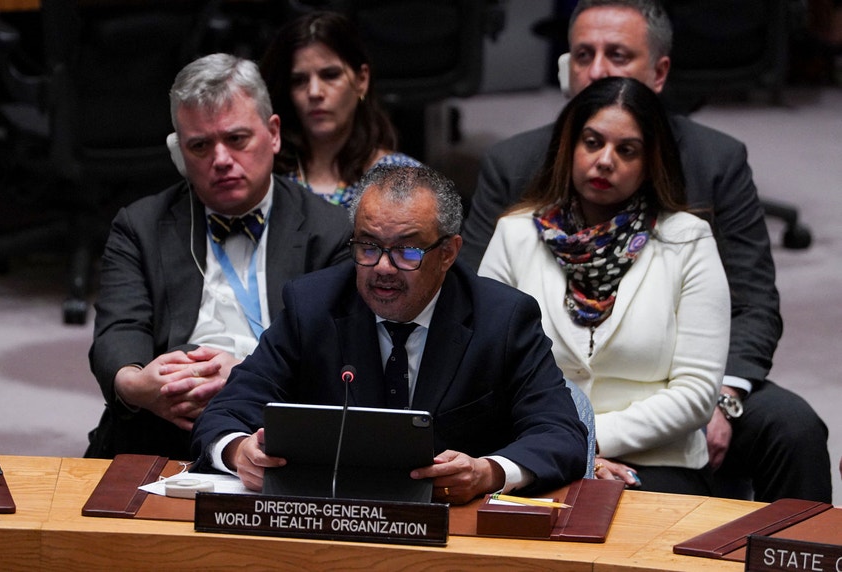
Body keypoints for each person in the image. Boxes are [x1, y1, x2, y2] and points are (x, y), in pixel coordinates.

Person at [462, 0, 832, 503]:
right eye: (583, 55)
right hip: (542, 421)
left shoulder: (713, 168)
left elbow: (752, 302)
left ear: (659, 72)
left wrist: (723, 398)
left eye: (616, 55)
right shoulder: (514, 173)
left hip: (679, 399)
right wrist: (564, 443)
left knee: (793, 427)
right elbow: (476, 317)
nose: (597, 71)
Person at [191, 165, 589, 504]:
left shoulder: (502, 319)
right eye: (368, 246)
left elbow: (561, 433)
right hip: (334, 521)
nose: (382, 267)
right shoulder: (311, 306)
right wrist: (237, 451)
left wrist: (488, 472)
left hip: (454, 530)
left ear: (448, 253)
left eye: (406, 251)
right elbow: (227, 410)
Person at [86, 53, 353, 460]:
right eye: (200, 146)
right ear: (179, 152)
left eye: (237, 139)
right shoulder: (140, 225)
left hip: (275, 425)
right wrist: (135, 384)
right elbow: (118, 329)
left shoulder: (331, 231)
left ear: (273, 133)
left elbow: (334, 357)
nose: (221, 160)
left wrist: (249, 374)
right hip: (162, 421)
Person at [480, 76, 729, 495]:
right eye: (592, 143)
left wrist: (588, 441)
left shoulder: (688, 240)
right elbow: (487, 370)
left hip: (656, 461)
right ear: (569, 146)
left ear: (650, 161)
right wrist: (563, 449)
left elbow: (697, 393)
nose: (605, 161)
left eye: (626, 150)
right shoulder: (514, 234)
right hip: (536, 453)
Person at [260, 11, 420, 208]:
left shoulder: (403, 180)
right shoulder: (262, 177)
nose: (314, 92)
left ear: (362, 80)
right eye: (299, 81)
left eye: (330, 75)